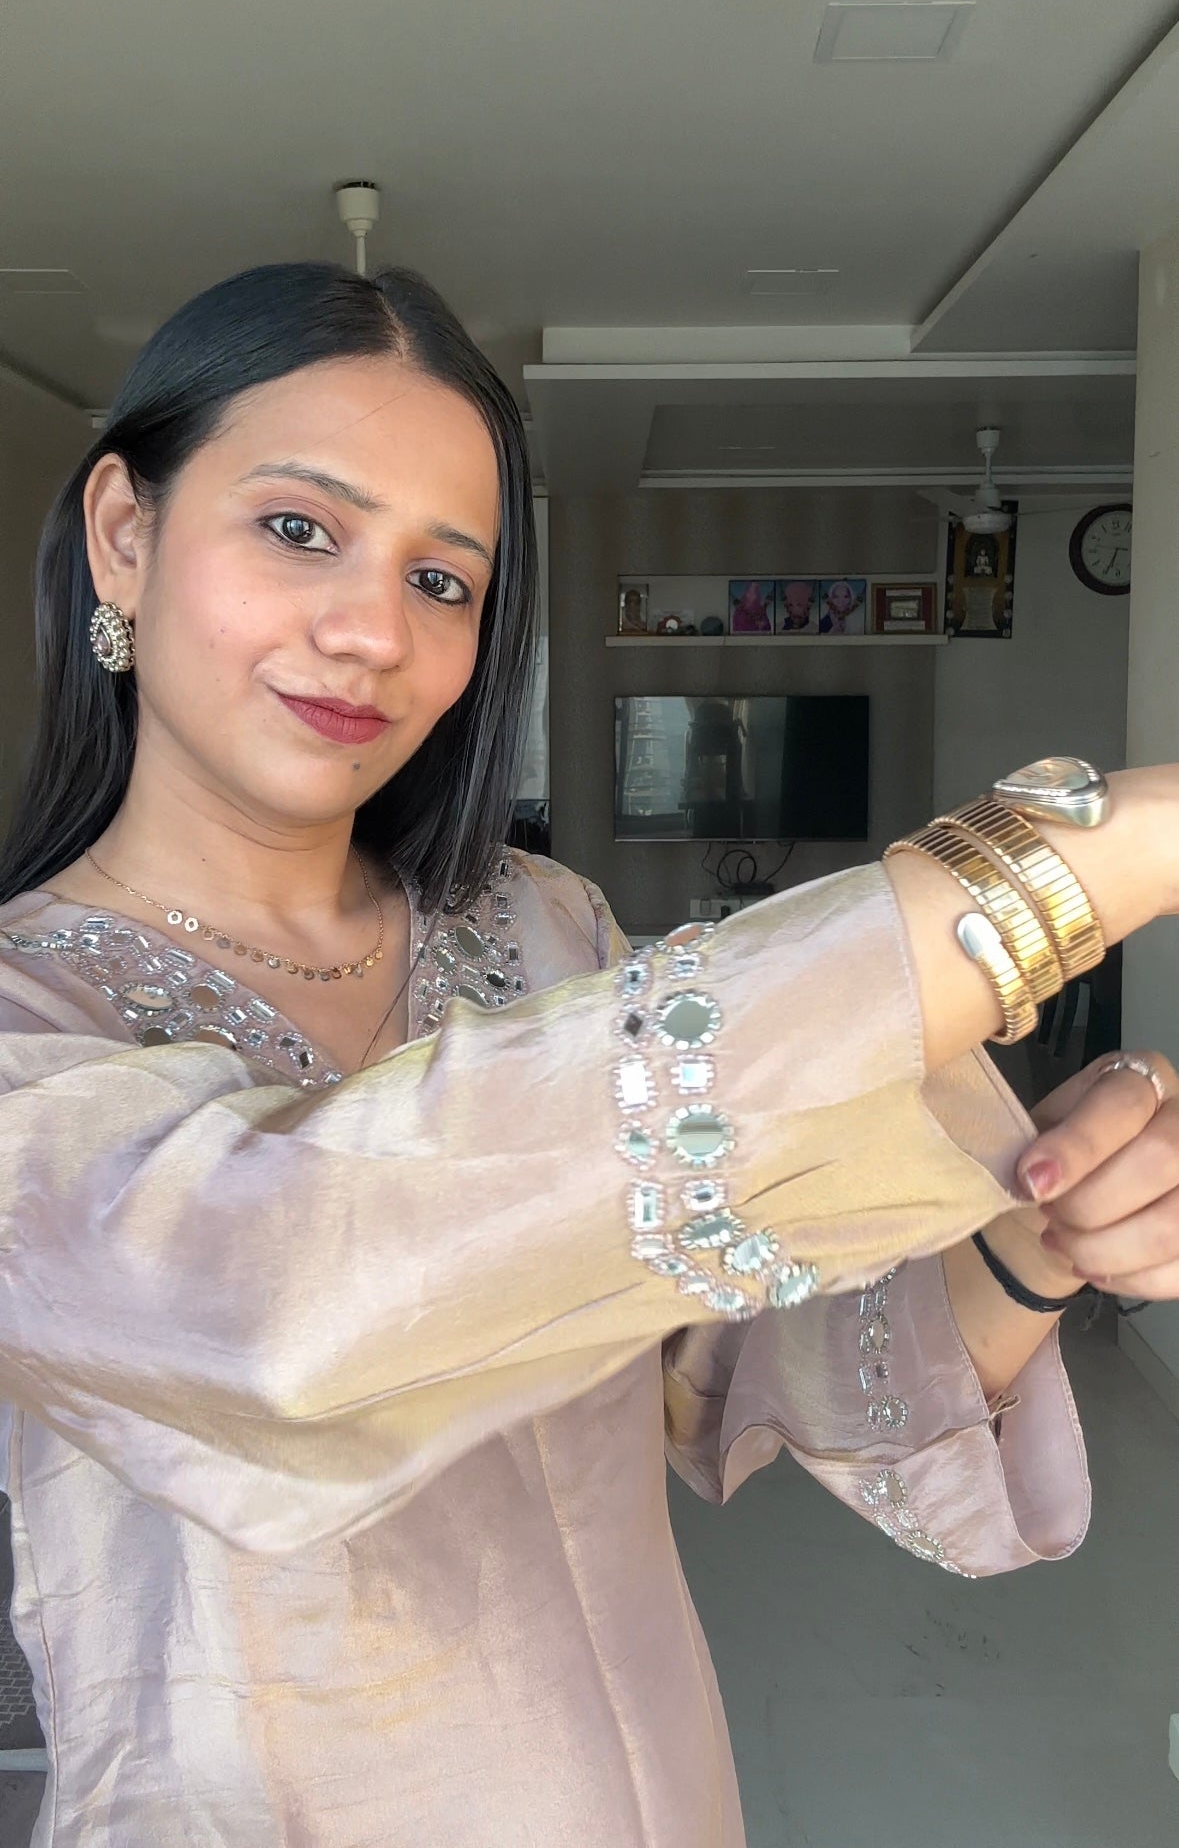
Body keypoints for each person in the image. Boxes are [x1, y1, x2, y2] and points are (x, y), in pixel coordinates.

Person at [0, 262, 1176, 1848]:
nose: (371, 631)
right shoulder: (29, 1026)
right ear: (123, 534)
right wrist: (1056, 868)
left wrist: (1039, 1241)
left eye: (444, 581)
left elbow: (732, 1355)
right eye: (298, 527)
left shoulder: (544, 929)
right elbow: (278, 1318)